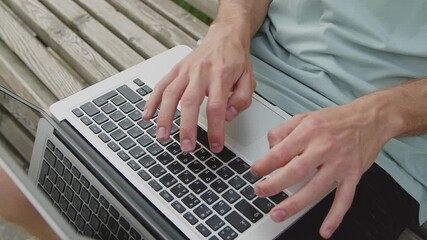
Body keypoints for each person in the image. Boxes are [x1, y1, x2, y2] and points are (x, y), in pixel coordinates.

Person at [143, 0, 427, 239]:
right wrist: (228, 30)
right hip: (244, 80)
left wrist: (376, 116)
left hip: (380, 145)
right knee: (117, 182)